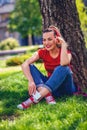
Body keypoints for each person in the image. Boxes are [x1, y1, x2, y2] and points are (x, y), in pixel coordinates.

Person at [17, 25, 77, 110]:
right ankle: (47, 96)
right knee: (30, 66)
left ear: (56, 39)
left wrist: (63, 44)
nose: (46, 43)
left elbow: (64, 63)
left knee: (63, 68)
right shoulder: (42, 52)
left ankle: (35, 98)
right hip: (51, 89)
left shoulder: (65, 52)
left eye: (49, 39)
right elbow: (24, 64)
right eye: (44, 40)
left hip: (66, 89)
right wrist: (31, 81)